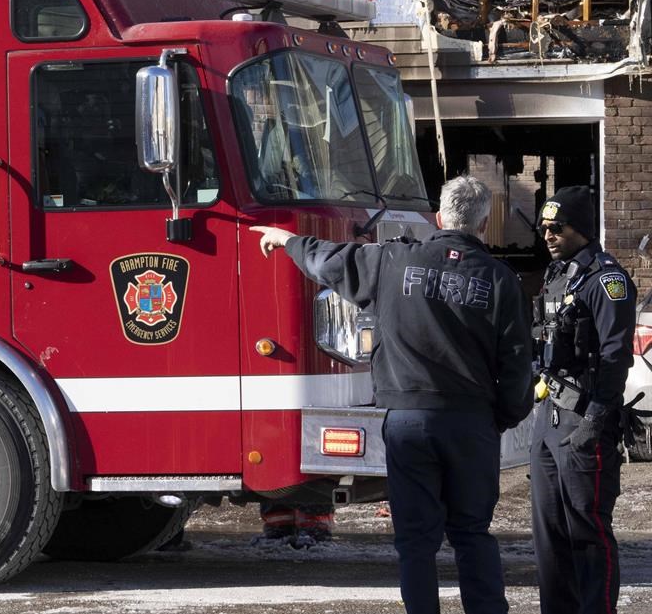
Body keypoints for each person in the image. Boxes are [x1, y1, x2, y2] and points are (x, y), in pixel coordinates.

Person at [251, 175, 533, 614]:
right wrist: (500, 418)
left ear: (439, 217)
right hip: (472, 424)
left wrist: (288, 241)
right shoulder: (501, 281)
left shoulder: (392, 261)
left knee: (416, 542)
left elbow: (331, 261)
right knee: (472, 533)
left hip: (408, 421)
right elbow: (517, 367)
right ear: (483, 224)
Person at [530, 185, 635, 614]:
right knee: (549, 532)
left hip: (584, 420)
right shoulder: (559, 275)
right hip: (549, 415)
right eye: (544, 229)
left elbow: (615, 355)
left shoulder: (605, 278)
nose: (549, 236)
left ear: (582, 228)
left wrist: (596, 416)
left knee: (587, 530)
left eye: (558, 228)